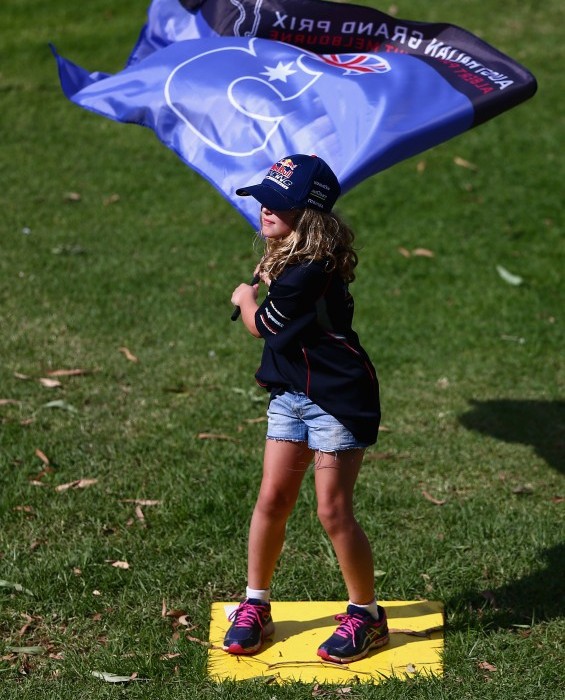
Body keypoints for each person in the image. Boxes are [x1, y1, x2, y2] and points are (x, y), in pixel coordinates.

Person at [225, 154, 388, 664]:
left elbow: (264, 327)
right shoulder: (295, 260)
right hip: (291, 395)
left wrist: (245, 298)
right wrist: (271, 271)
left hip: (335, 401)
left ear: (309, 214)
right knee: (272, 498)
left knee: (332, 511)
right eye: (263, 200)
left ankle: (367, 615)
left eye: (278, 203)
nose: (265, 209)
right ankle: (256, 604)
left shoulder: (309, 270)